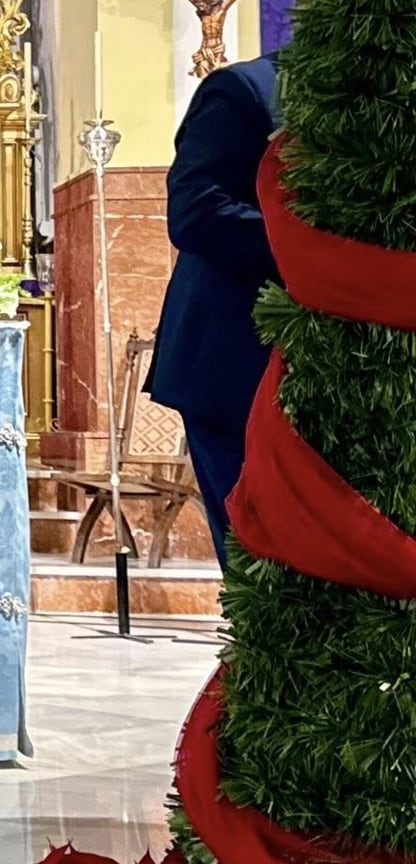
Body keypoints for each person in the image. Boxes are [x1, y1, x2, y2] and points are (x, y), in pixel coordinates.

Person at [146, 53, 282, 569]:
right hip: (234, 364)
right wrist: (318, 246)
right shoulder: (248, 88)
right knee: (260, 568)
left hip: (346, 358)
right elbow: (196, 210)